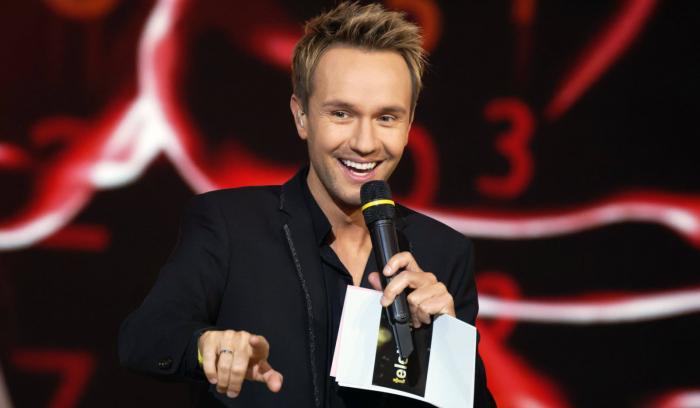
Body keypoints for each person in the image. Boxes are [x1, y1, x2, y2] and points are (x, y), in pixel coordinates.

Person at [119, 2, 495, 407]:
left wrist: (448, 345)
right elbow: (144, 338)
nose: (365, 143)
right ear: (301, 116)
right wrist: (205, 345)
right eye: (341, 114)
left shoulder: (443, 253)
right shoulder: (231, 226)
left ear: (409, 124)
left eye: (386, 118)